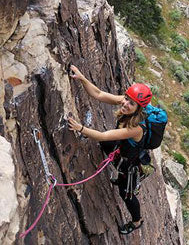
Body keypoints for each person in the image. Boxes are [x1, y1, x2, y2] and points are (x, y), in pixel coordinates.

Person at [65, 65, 151, 235]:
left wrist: (80, 128)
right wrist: (82, 78)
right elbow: (99, 94)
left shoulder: (137, 128)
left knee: (126, 194)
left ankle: (136, 221)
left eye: (130, 103)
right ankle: (120, 178)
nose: (125, 103)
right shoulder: (130, 103)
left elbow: (103, 136)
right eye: (125, 98)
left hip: (130, 164)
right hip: (122, 150)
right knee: (106, 146)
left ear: (139, 108)